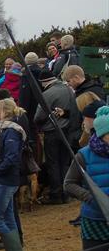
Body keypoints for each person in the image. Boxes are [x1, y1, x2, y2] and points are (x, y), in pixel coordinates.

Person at [64, 105, 109, 251]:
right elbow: (69, 184)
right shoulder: (84, 155)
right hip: (93, 220)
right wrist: (90, 198)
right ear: (102, 134)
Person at [0, 99, 28, 251]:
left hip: (6, 179)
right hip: (7, 178)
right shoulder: (7, 130)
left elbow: (12, 157)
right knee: (9, 217)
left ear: (4, 112)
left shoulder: (10, 132)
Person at [35, 68, 78, 204]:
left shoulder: (47, 94)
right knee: (65, 162)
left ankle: (56, 194)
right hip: (67, 130)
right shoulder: (69, 90)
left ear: (43, 82)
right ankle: (67, 193)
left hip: (52, 131)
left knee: (53, 163)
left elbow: (38, 117)